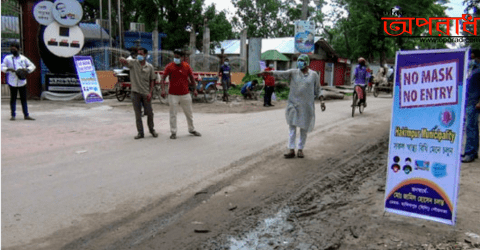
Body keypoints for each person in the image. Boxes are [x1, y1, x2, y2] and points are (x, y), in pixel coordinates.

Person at [261, 54, 325, 158]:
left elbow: (318, 89)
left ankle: (300, 149)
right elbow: (281, 74)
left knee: (303, 128)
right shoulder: (293, 72)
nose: (299, 63)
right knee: (292, 127)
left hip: (306, 106)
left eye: (302, 61)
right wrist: (268, 72)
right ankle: (291, 149)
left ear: (307, 63)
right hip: (293, 104)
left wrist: (322, 101)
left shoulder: (313, 75)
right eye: (298, 61)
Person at [160, 49, 201, 139]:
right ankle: (173, 132)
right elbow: (162, 78)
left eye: (178, 57)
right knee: (173, 114)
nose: (176, 59)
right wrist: (163, 90)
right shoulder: (169, 66)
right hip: (173, 94)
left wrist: (195, 90)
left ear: (182, 58)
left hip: (185, 94)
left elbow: (192, 79)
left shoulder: (187, 66)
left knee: (189, 113)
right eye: (175, 57)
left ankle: (191, 129)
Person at [119, 47, 158, 139]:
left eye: (141, 54)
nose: (139, 55)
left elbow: (152, 80)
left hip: (146, 93)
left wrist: (150, 92)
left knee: (150, 113)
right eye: (138, 54)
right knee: (137, 114)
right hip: (135, 92)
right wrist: (122, 59)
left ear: (145, 55)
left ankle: (152, 129)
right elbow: (125, 62)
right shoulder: (133, 63)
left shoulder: (150, 67)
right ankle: (140, 132)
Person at [1, 42, 36, 121]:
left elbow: (32, 66)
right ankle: (13, 115)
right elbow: (2, 66)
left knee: (23, 99)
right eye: (11, 48)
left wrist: (26, 70)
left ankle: (26, 115)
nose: (12, 50)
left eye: (14, 49)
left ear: (18, 49)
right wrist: (8, 69)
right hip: (12, 81)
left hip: (22, 82)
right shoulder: (7, 58)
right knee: (13, 98)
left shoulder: (23, 58)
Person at [462, 48, 480, 163]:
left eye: (472, 57)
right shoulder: (473, 69)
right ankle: (472, 151)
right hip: (469, 101)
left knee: (470, 127)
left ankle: (470, 153)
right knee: (472, 127)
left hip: (475, 102)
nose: (471, 59)